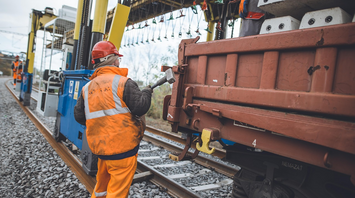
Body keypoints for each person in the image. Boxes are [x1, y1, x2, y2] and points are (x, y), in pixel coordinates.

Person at [74, 41, 152, 198]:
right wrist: (147, 93)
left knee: (101, 188)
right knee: (117, 193)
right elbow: (140, 107)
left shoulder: (87, 88)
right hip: (123, 152)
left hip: (101, 150)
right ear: (112, 59)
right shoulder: (123, 83)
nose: (118, 61)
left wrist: (101, 126)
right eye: (118, 58)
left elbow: (80, 116)